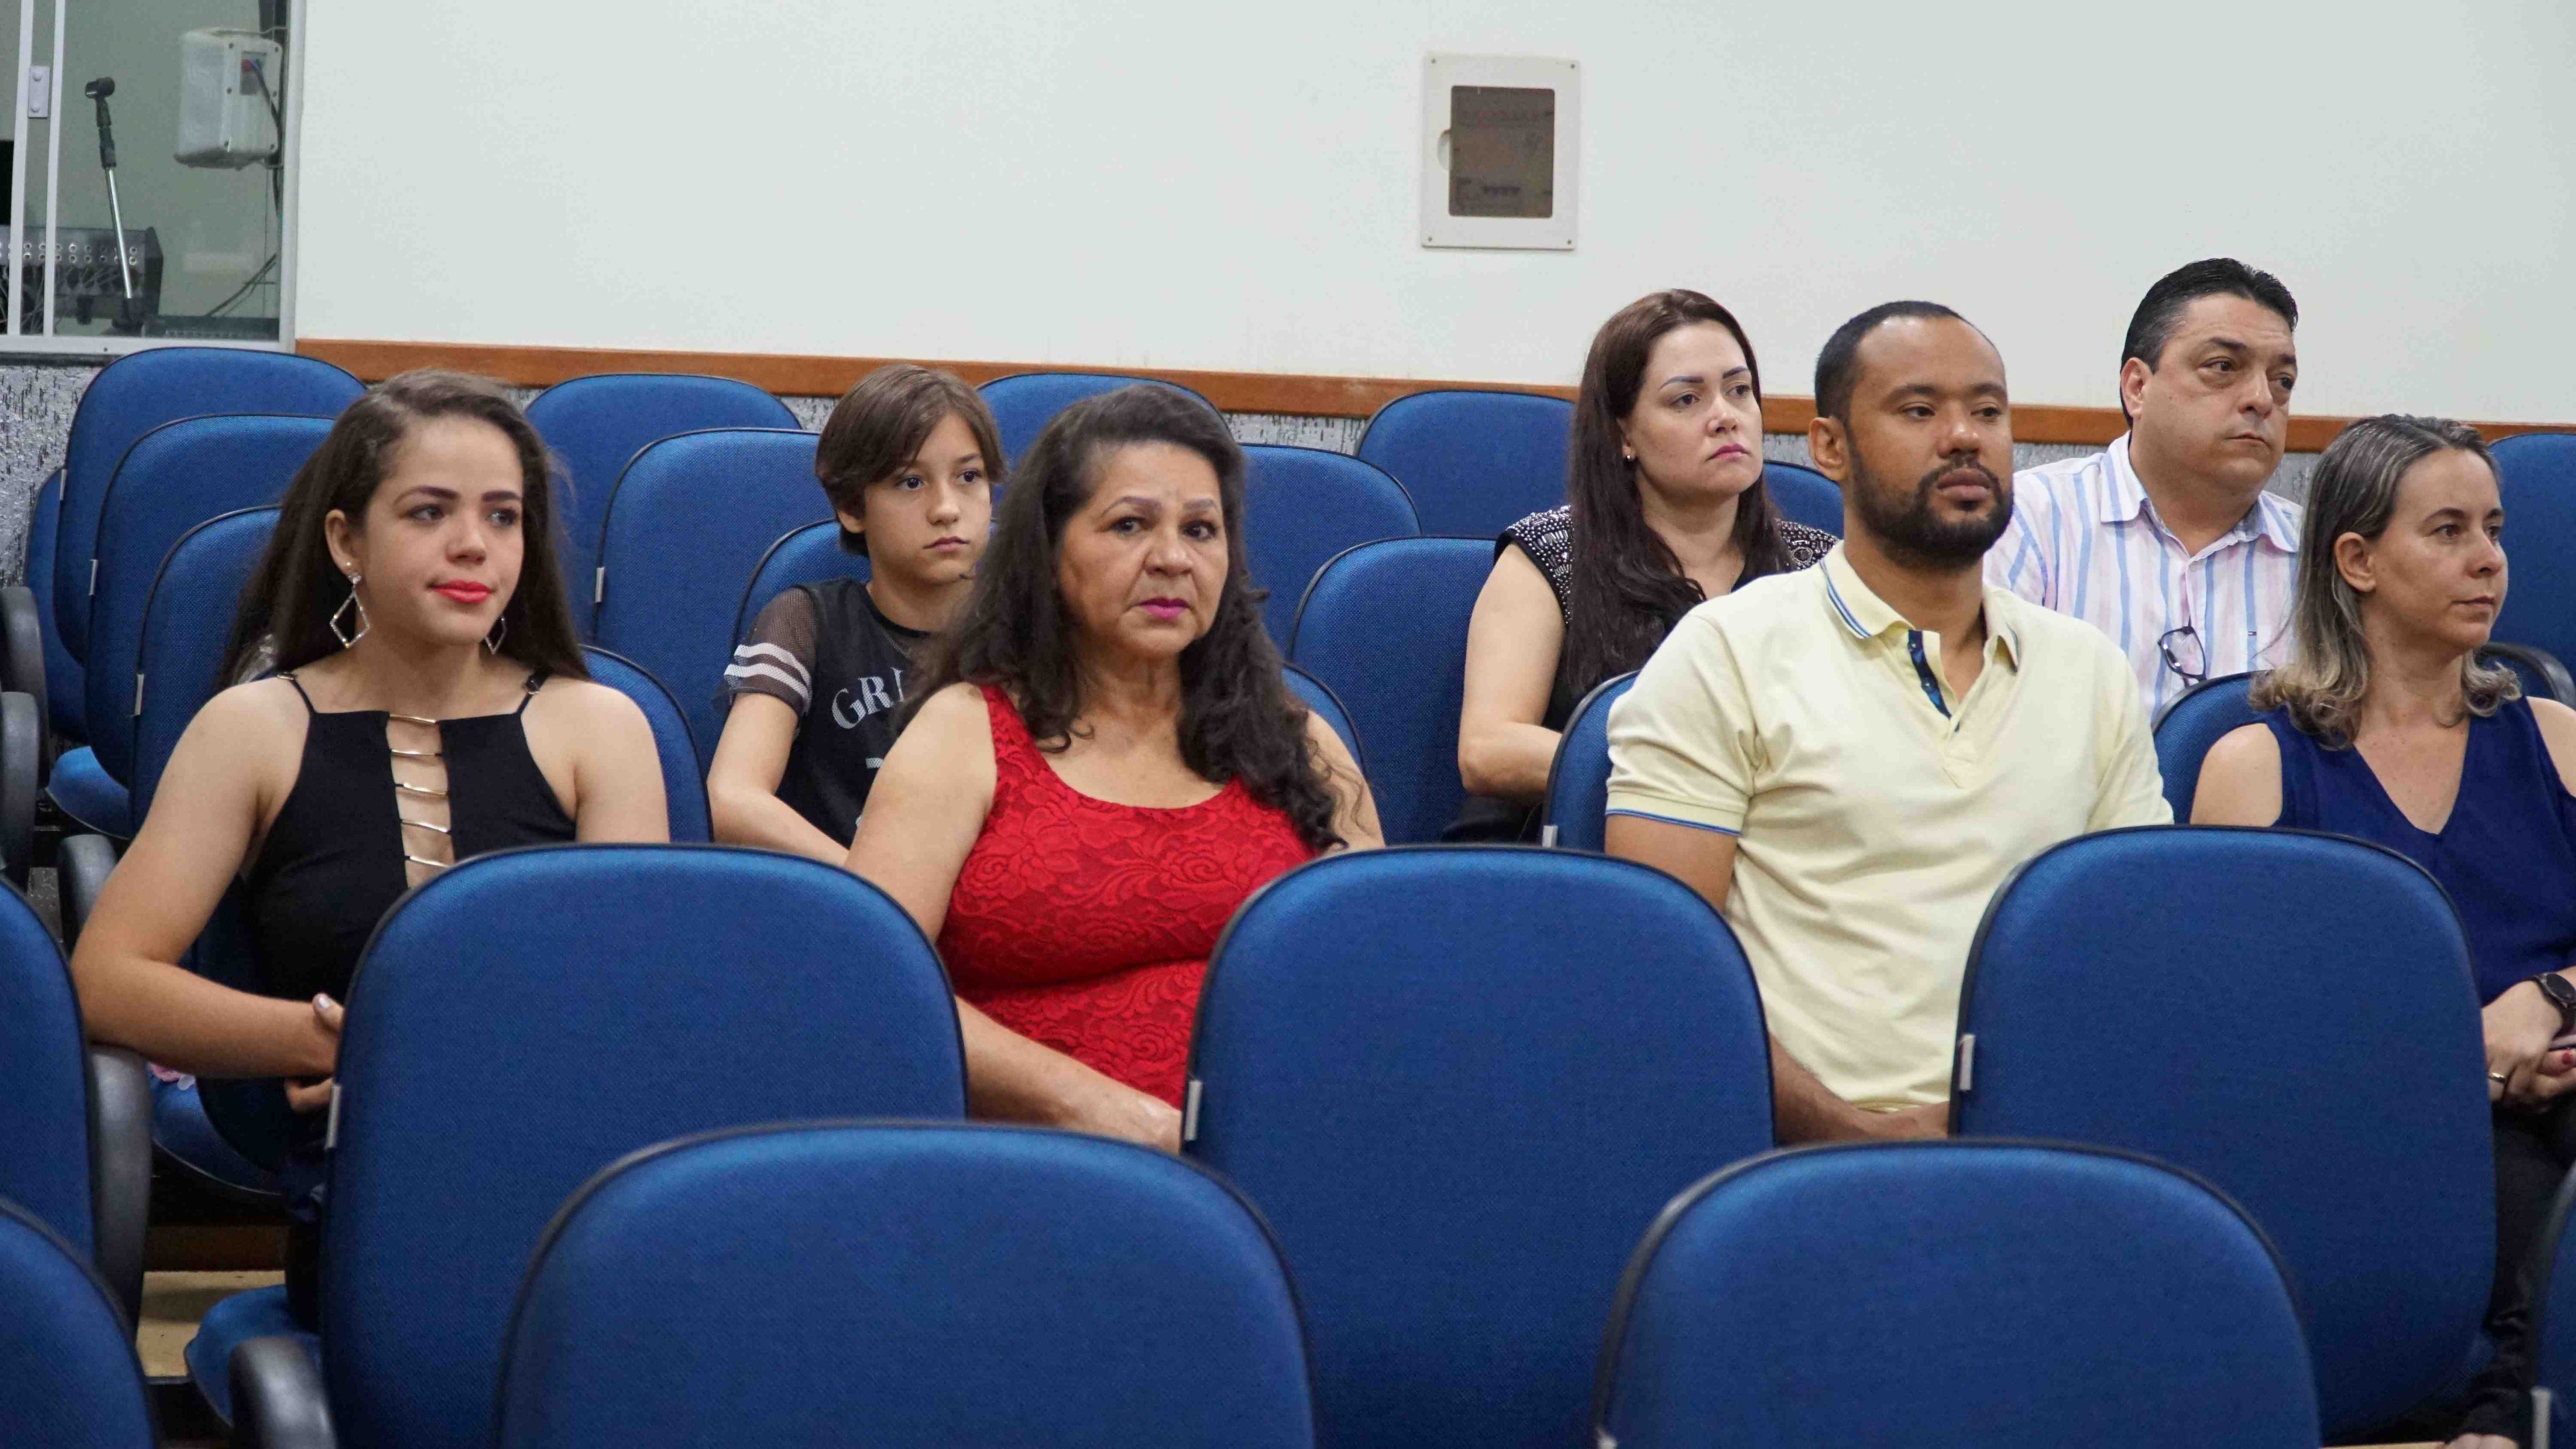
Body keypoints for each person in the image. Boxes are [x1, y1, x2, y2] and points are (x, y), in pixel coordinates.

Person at [67, 371, 669, 1324]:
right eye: (429, 512)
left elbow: (631, 998)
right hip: (371, 1177)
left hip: (570, 1172)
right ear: (347, 540)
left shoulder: (602, 726)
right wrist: (321, 1040)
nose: (473, 543)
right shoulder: (253, 729)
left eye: (503, 516)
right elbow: (107, 980)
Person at [1603, 301, 2168, 1144]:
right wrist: (1854, 1134)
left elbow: (2131, 946)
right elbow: (1660, 969)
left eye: (1987, 411)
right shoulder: (1725, 652)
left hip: (2046, 1146)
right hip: (1796, 1157)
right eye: (1918, 410)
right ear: (1829, 447)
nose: (1963, 438)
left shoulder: (2088, 669)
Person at [847, 385, 1380, 1150]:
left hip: (1280, 1148)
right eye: (1129, 525)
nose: (1171, 558)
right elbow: (872, 981)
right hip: (1038, 1161)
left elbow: (1371, 967)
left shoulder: (1299, 740)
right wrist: (1092, 1107)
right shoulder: (962, 735)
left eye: (1200, 529)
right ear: (1048, 552)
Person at [2192, 415, 2576, 1449]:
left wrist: (2548, 1000)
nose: (2488, 558)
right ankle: (2507, 1419)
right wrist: (2460, 1061)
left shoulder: (2555, 738)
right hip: (2377, 1117)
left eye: (2494, 529)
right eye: (2448, 530)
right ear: (2357, 560)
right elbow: (2236, 1030)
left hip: (2559, 1083)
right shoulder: (2255, 765)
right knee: (2521, 1195)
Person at [1453, 289, 1836, 840]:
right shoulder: (1553, 554)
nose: (1725, 417)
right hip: (1577, 853)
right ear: (1623, 434)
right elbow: (1489, 750)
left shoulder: (1816, 567)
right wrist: (1693, 774)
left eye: (1739, 390)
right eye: (1687, 400)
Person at [1987, 258, 2304, 718]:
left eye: (2283, 381)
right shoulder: (2026, 521)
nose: (2262, 398)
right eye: (2223, 367)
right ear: (2137, 387)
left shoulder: (2318, 553)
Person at [709, 364, 999, 860]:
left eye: (969, 476)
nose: (947, 508)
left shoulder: (1031, 630)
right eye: (911, 482)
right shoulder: (805, 621)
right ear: (852, 507)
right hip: (848, 892)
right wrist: (873, 889)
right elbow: (731, 799)